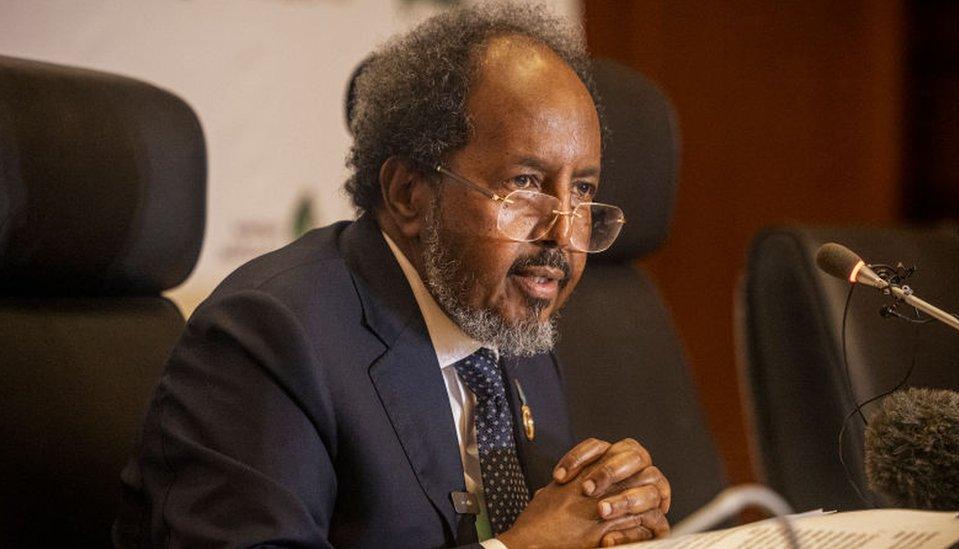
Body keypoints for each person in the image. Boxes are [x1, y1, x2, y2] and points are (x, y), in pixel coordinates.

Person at [115, 4, 671, 548]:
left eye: (582, 191)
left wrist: (609, 511)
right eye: (525, 183)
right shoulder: (269, 338)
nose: (563, 233)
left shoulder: (513, 331)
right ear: (410, 194)